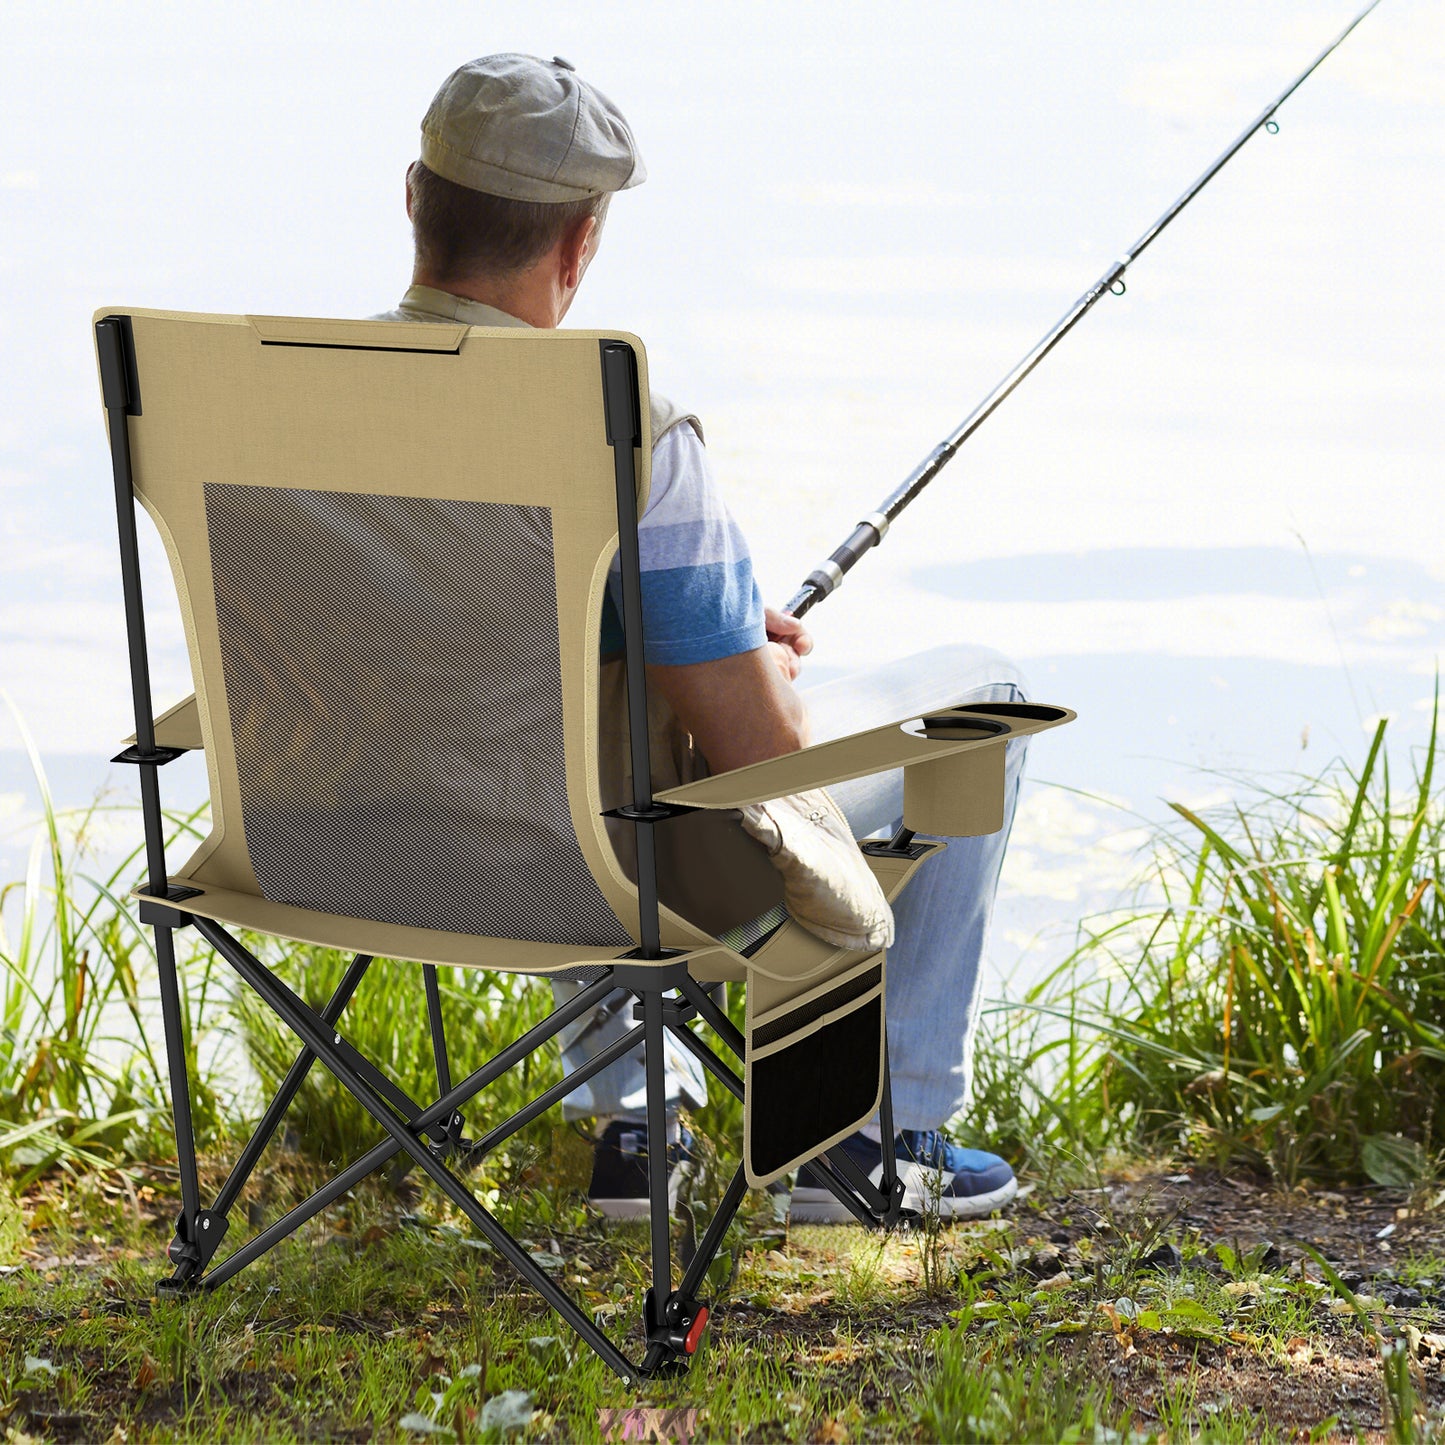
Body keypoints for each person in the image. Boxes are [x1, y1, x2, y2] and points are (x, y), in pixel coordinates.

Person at [374, 53, 1031, 1223]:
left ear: (413, 197)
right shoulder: (628, 429)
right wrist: (745, 660)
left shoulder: (294, 402)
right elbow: (755, 758)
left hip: (361, 845)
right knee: (979, 693)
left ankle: (641, 1119)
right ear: (579, 246)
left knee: (562, 728)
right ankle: (877, 1139)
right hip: (589, 868)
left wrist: (681, 642)